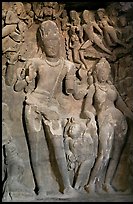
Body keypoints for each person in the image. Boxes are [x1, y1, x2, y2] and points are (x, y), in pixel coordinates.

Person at [14, 20, 79, 198]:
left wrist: (76, 77)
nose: (52, 45)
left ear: (60, 41)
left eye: (55, 41)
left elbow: (71, 91)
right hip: (33, 105)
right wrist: (26, 78)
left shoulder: (67, 66)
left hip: (51, 108)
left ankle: (67, 187)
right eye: (48, 42)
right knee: (36, 148)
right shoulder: (35, 63)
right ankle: (41, 188)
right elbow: (18, 88)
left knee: (58, 146)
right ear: (42, 43)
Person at [86, 58, 133, 193]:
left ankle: (107, 183)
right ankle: (91, 183)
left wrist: (132, 117)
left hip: (119, 121)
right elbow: (87, 108)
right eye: (101, 72)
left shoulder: (112, 88)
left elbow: (123, 107)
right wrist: (90, 116)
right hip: (104, 119)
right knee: (104, 153)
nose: (103, 74)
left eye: (106, 72)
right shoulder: (93, 88)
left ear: (109, 73)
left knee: (116, 154)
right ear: (97, 73)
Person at [64, 118, 95, 192]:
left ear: (80, 130)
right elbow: (66, 150)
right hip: (76, 160)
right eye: (70, 129)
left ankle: (76, 187)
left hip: (87, 158)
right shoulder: (68, 140)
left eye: (74, 128)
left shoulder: (86, 137)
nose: (71, 130)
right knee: (76, 173)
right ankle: (78, 186)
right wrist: (70, 154)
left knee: (81, 171)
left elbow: (91, 146)